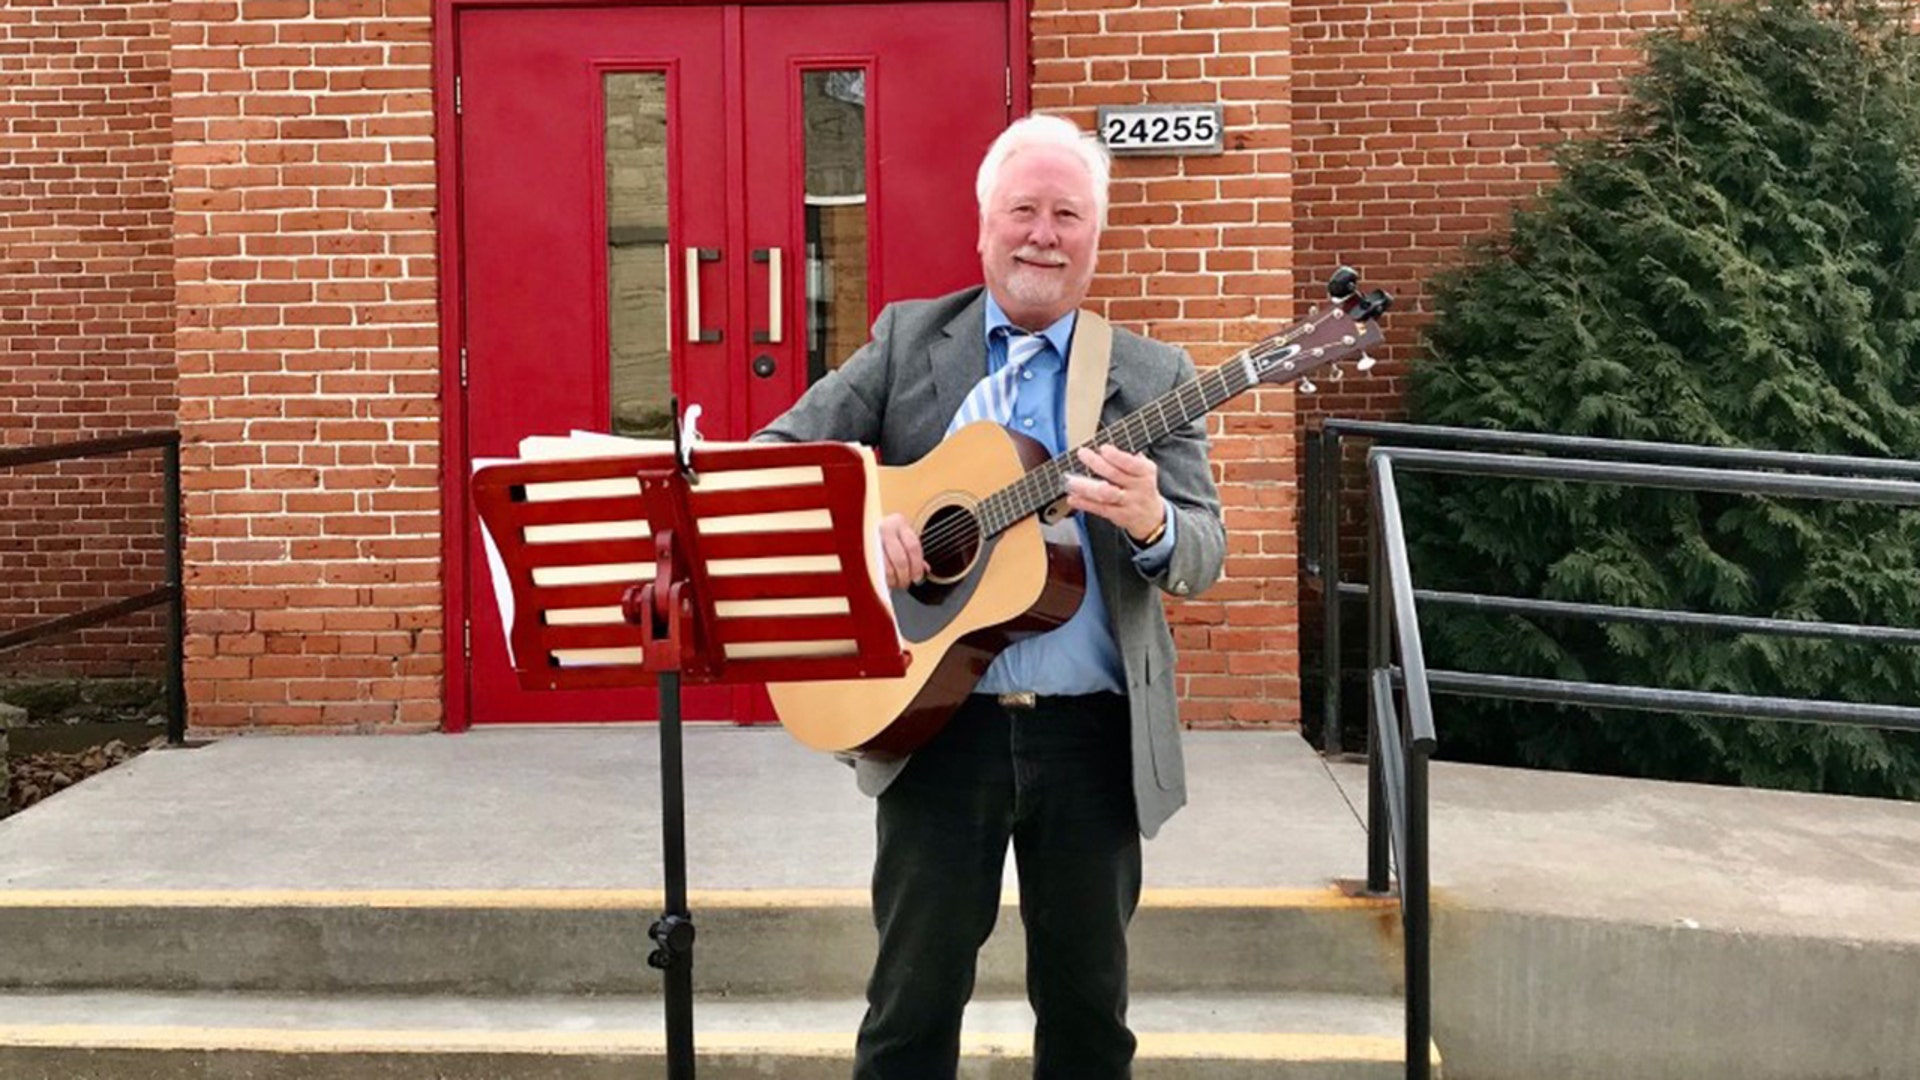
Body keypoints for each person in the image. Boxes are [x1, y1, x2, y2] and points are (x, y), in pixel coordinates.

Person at [755, 113, 1226, 1080]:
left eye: (1068, 215)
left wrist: (1152, 522)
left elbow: (1204, 552)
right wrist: (861, 527)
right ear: (984, 226)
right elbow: (774, 461)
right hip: (938, 726)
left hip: (1092, 739)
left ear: (1095, 235)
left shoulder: (1153, 377)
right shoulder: (907, 339)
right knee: (909, 1014)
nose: (1043, 235)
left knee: (1089, 1021)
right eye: (1024, 210)